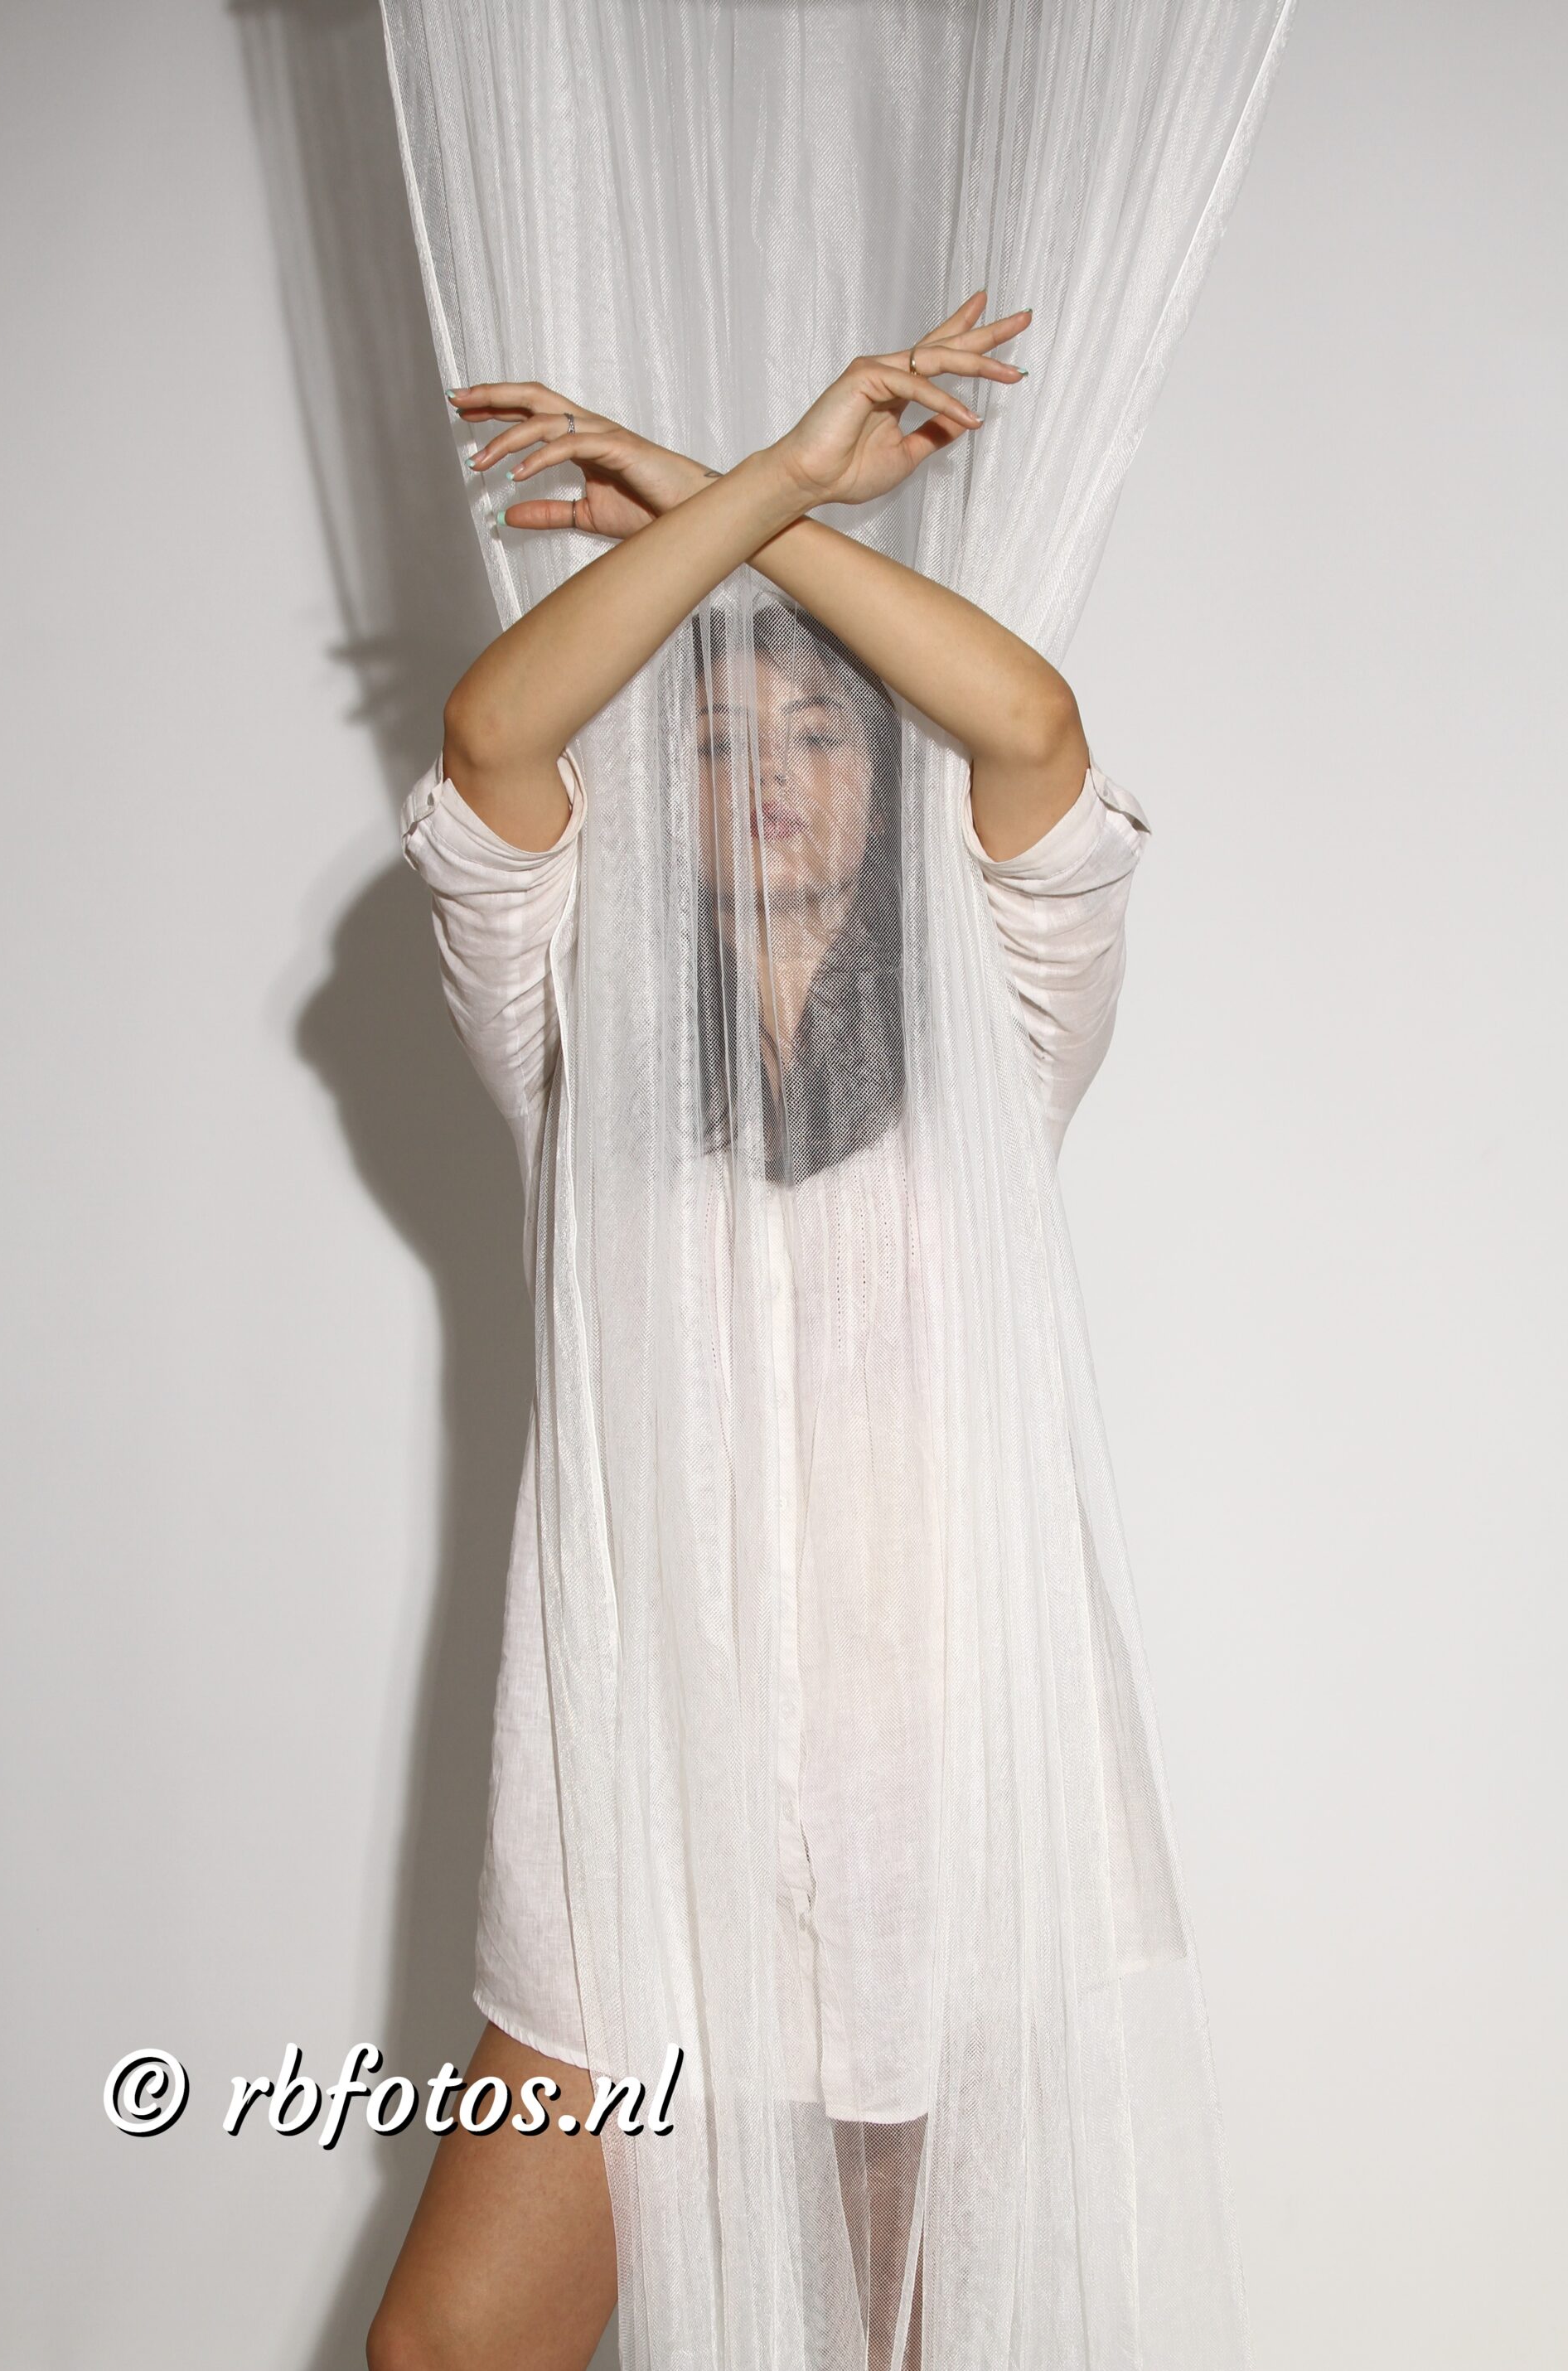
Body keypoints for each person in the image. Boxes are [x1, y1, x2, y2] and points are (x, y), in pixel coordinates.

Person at [368, 293, 1152, 2371]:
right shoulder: (569, 1036)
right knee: (447, 2349)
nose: (771, 774)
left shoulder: (1005, 1031)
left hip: (924, 1819)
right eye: (717, 742)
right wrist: (778, 480)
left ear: (883, 784)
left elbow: (1034, 727)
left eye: (816, 734)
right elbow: (493, 741)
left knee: (886, 2349)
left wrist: (725, 500)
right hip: (637, 1827)